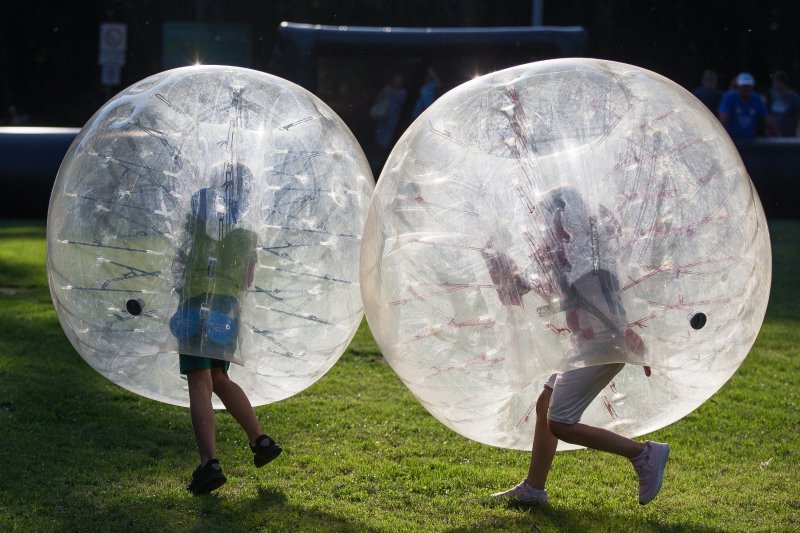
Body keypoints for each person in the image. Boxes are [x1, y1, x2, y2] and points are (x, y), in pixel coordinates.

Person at [486, 187, 669, 505]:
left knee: (559, 421)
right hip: (587, 344)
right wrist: (505, 268)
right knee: (546, 405)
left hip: (601, 345)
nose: (546, 229)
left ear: (565, 220)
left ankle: (643, 454)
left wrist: (626, 339)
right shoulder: (576, 254)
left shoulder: (585, 258)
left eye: (550, 221)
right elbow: (555, 298)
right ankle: (533, 489)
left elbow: (592, 301)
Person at [170, 162, 282, 495]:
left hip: (194, 308)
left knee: (200, 383)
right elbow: (247, 279)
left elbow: (178, 264)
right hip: (225, 313)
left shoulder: (193, 223)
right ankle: (259, 439)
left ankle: (209, 463)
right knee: (219, 377)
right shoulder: (247, 234)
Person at [718, 72, 779, 139]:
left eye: (748, 86)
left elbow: (767, 119)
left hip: (751, 140)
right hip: (733, 140)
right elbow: (723, 119)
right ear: (738, 86)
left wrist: (778, 136)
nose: (746, 89)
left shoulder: (756, 98)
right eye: (743, 86)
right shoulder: (729, 98)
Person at [768, 70, 800, 137]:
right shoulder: (772, 95)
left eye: (775, 81)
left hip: (789, 136)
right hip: (773, 136)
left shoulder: (794, 98)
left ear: (781, 83)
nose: (773, 84)